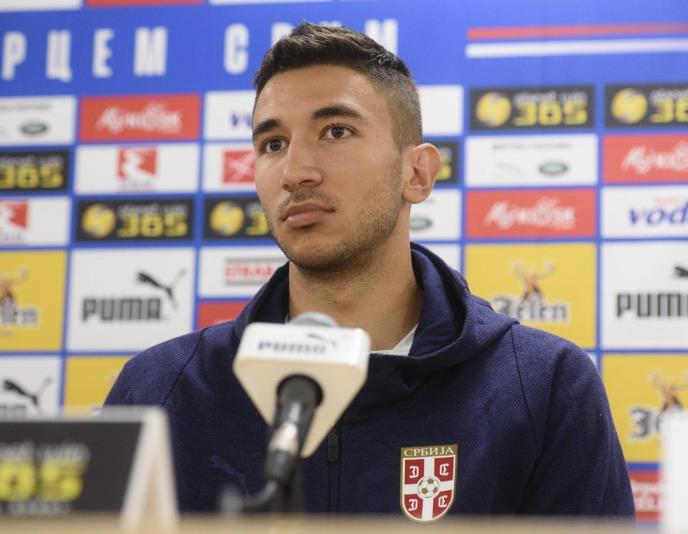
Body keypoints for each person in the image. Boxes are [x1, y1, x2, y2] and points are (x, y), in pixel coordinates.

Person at [105, 23, 635, 520]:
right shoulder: (160, 391)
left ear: (417, 173)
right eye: (273, 144)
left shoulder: (544, 386)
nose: (295, 172)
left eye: (335, 131)